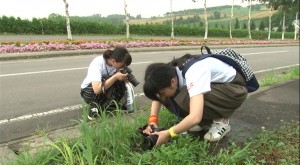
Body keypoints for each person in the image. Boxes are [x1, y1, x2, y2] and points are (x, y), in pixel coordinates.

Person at [142, 53, 248, 145]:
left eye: (162, 93)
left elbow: (195, 116)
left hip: (234, 90)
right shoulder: (167, 73)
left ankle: (221, 122)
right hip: (216, 89)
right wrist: (153, 121)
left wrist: (169, 133)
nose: (162, 98)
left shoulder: (194, 72)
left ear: (173, 82)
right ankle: (201, 123)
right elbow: (158, 97)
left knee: (187, 97)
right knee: (171, 96)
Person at [80, 46, 134, 120]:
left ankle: (109, 105)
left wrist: (124, 79)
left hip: (102, 91)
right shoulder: (98, 62)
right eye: (122, 65)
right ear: (113, 61)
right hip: (88, 92)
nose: (123, 67)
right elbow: (96, 89)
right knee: (106, 79)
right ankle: (94, 107)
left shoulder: (116, 66)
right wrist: (115, 77)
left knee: (119, 81)